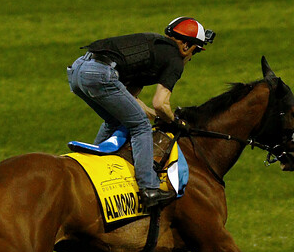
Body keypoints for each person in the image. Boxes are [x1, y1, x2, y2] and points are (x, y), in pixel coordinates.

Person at [67, 17, 215, 208]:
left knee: (117, 120)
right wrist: (175, 122)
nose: (192, 57)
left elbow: (130, 99)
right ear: (186, 45)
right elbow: (161, 103)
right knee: (140, 126)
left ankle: (93, 168)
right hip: (100, 74)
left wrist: (152, 113)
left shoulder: (154, 49)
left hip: (78, 71)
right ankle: (149, 189)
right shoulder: (175, 60)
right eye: (196, 51)